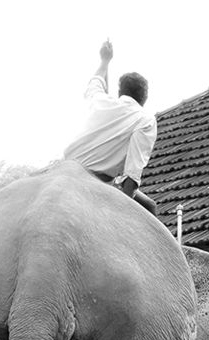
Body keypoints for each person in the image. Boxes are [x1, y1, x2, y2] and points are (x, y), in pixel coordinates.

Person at [63, 40, 158, 215]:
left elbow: (96, 80)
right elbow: (132, 174)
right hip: (94, 180)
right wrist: (119, 215)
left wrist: (105, 60)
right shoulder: (144, 119)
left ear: (120, 92)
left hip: (64, 168)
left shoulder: (102, 100)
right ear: (144, 97)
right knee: (150, 207)